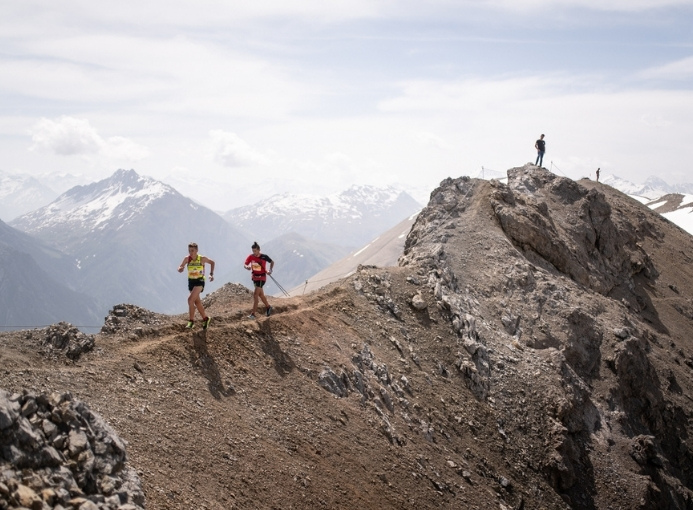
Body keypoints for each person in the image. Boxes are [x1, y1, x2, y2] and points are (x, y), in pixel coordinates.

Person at [177, 242, 215, 329]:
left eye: (193, 250)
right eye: (189, 250)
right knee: (197, 302)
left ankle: (191, 321)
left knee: (190, 300)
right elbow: (180, 266)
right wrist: (180, 269)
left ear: (197, 250)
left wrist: (211, 274)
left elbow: (212, 262)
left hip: (200, 281)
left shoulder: (202, 258)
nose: (191, 252)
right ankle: (205, 319)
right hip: (191, 282)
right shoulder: (187, 259)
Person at [244, 242, 274, 319]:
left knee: (255, 295)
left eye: (255, 251)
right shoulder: (251, 256)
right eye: (253, 251)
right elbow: (245, 264)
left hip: (262, 278)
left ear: (259, 250)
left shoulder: (264, 256)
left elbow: (272, 262)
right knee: (261, 295)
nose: (254, 253)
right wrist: (247, 267)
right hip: (254, 278)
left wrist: (270, 270)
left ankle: (253, 314)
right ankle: (268, 307)